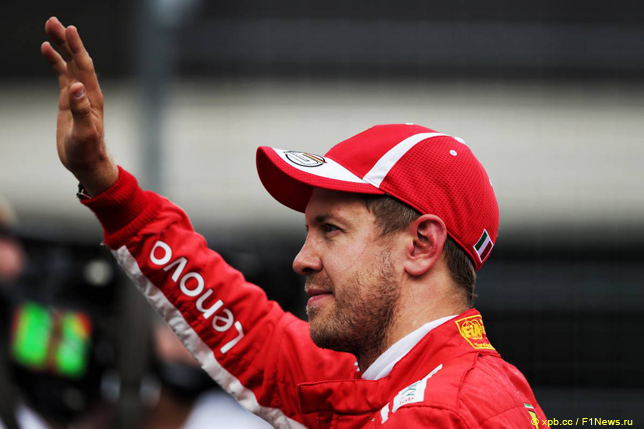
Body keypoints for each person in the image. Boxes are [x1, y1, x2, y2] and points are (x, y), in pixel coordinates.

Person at [40, 16, 548, 428]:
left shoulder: (442, 411)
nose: (302, 259)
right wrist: (105, 182)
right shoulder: (395, 377)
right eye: (309, 231)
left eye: (331, 229)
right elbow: (255, 338)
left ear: (420, 245)